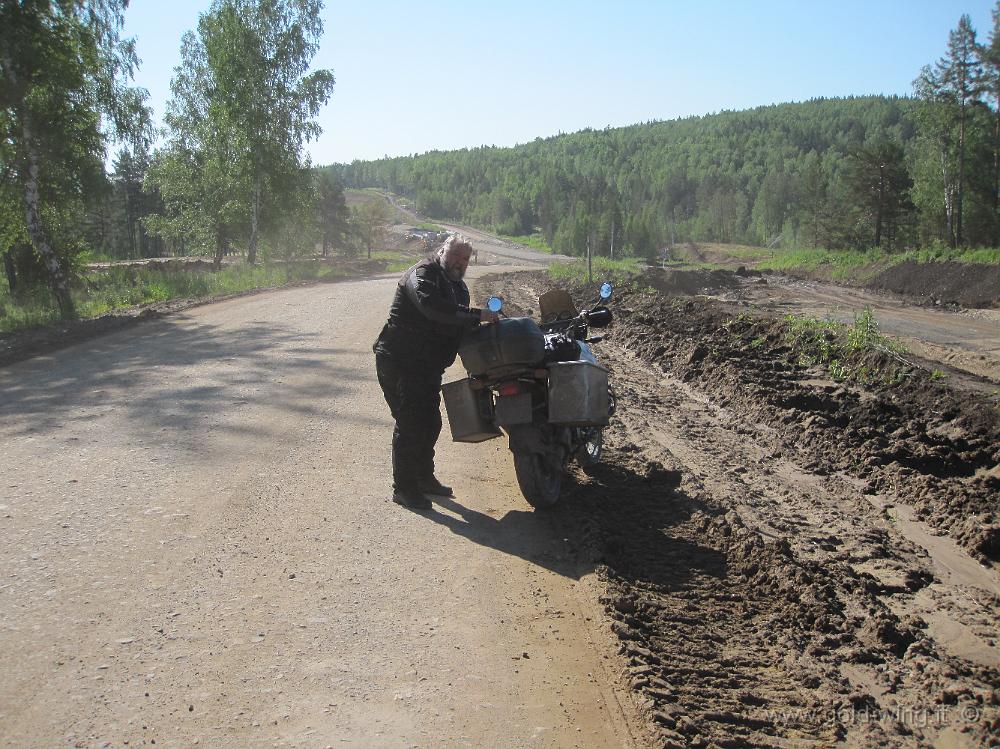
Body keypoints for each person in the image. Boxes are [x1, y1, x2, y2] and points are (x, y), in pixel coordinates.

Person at [373, 237, 499, 510]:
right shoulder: (422, 275)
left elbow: (463, 328)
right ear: (442, 251)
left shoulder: (459, 289)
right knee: (411, 422)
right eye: (455, 256)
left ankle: (423, 477)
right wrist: (476, 314)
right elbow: (432, 308)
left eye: (465, 259)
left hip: (427, 367)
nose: (460, 263)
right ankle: (404, 488)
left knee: (430, 422)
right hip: (399, 360)